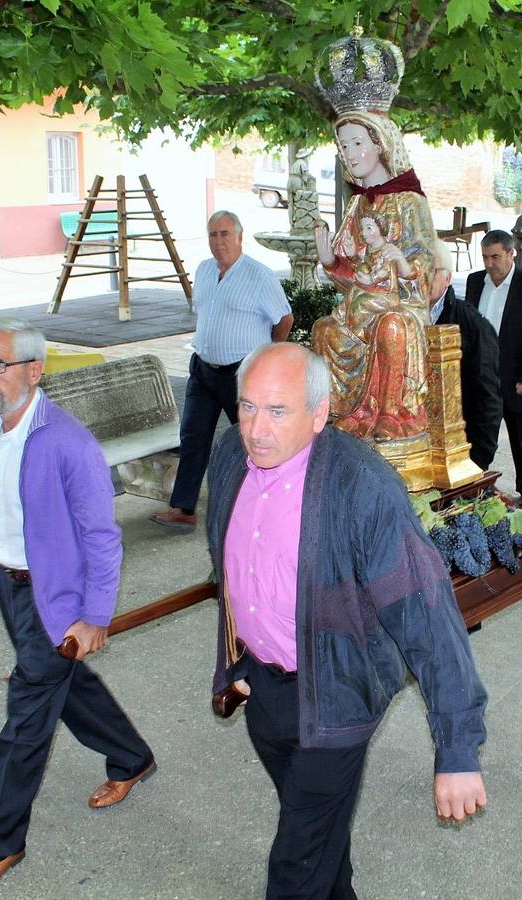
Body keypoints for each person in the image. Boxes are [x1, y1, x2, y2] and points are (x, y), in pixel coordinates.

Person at [206, 342, 488, 897]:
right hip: (265, 694)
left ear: (318, 413)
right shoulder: (227, 458)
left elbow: (428, 618)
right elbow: (234, 565)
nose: (256, 429)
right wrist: (235, 654)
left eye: (277, 410)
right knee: (319, 844)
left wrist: (457, 749)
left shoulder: (362, 488)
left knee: (294, 868)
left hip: (337, 698)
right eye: (247, 407)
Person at [0, 320, 156, 887]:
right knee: (67, 683)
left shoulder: (68, 442)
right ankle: (132, 758)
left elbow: (101, 538)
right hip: (6, 586)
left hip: (56, 595)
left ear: (34, 371)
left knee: (26, 717)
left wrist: (94, 617)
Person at [152, 211, 293, 533]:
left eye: (225, 234)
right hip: (202, 369)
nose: (219, 242)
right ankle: (183, 507)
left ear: (240, 237)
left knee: (252, 440)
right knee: (193, 437)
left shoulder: (259, 276)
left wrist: (266, 359)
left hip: (241, 374)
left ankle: (273, 505)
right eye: (213, 234)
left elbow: (284, 319)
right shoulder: (202, 270)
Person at [312, 111, 439, 444]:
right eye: (343, 145)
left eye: (357, 143)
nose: (349, 153)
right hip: (362, 304)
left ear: (380, 145)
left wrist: (403, 266)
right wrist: (331, 261)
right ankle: (345, 412)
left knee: (391, 327)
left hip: (401, 306)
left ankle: (391, 415)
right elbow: (351, 275)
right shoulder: (357, 204)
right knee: (324, 329)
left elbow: (425, 273)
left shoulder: (410, 202)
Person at [466, 230, 522, 508]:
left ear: (511, 253)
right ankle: (477, 482)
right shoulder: (475, 282)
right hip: (481, 378)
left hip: (518, 378)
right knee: (478, 434)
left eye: (495, 257)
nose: (490, 264)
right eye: (485, 257)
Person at [431, 239, 502, 470]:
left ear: (447, 278)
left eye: (431, 271)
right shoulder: (402, 319)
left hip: (461, 449)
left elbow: (488, 397)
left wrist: (479, 460)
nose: (420, 278)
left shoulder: (471, 325)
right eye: (415, 268)